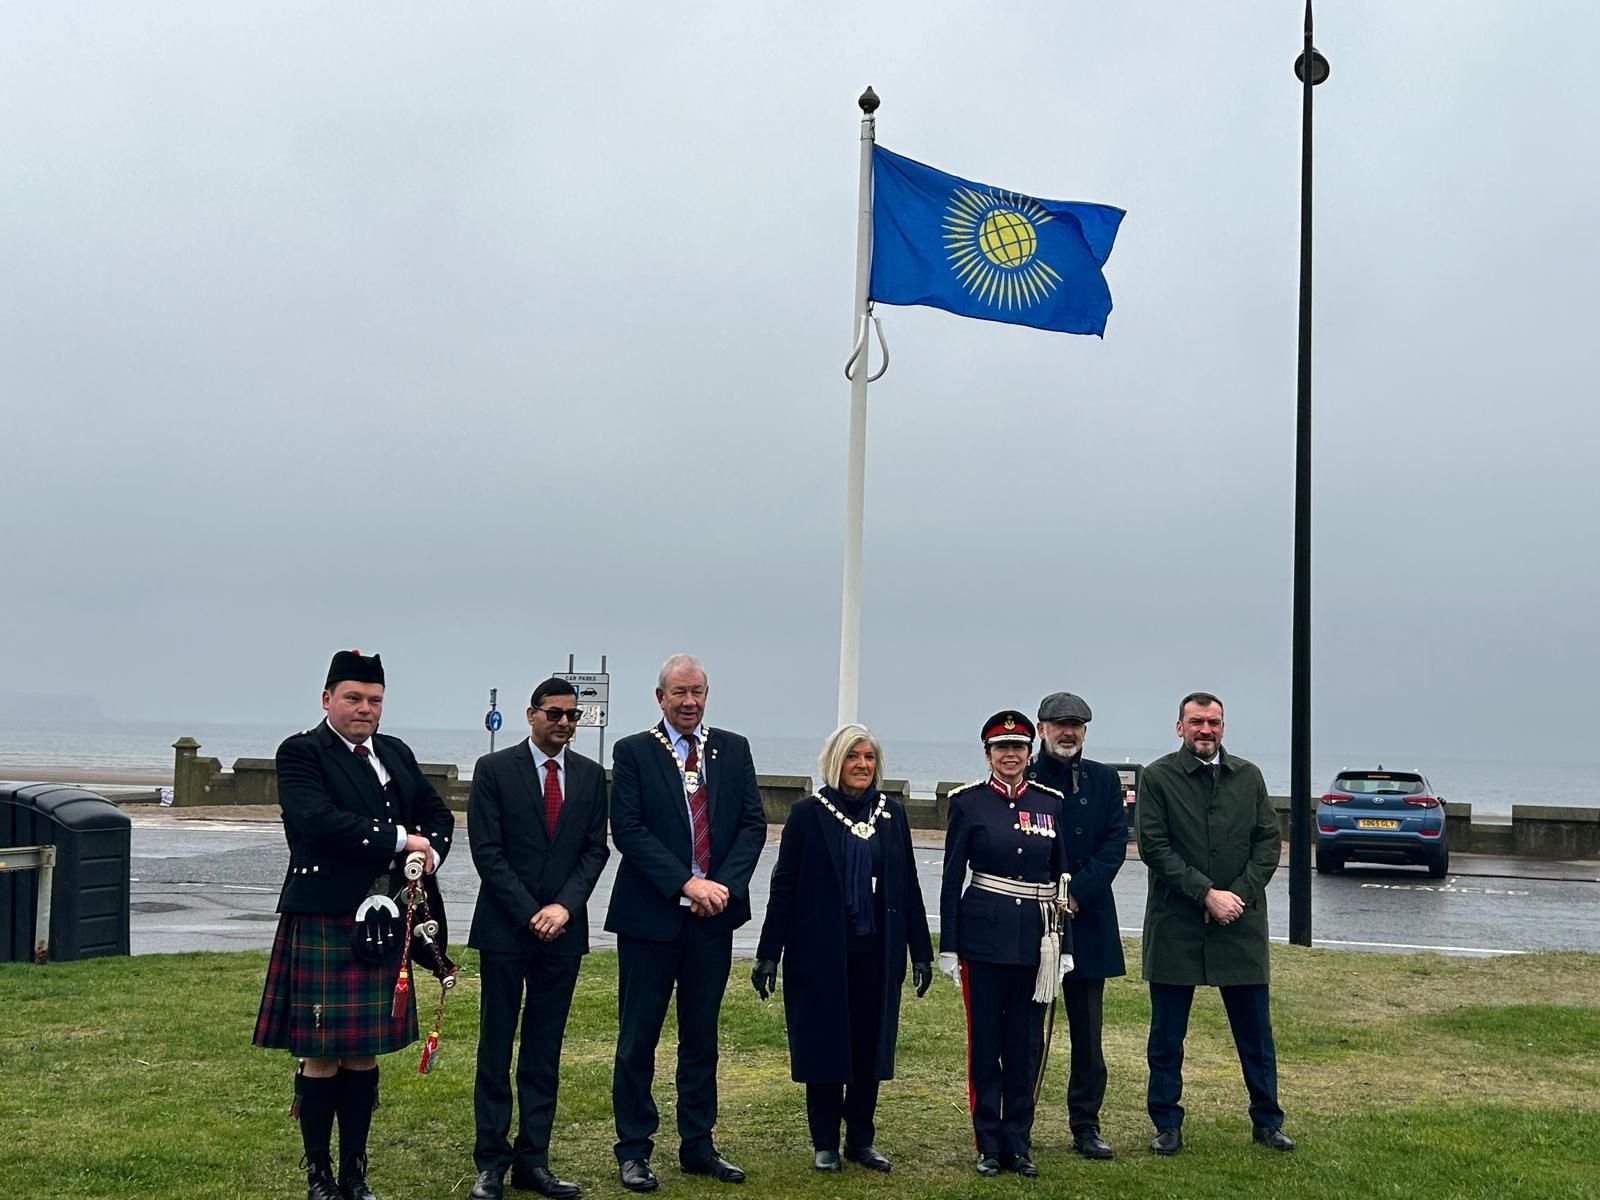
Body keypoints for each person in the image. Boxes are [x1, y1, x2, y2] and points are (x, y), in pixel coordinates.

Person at [253, 650, 456, 1200]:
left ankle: (355, 1174)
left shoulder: (395, 752)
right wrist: (399, 840)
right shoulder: (302, 752)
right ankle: (319, 1176)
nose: (365, 709)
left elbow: (437, 816)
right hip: (325, 913)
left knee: (363, 1050)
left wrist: (429, 853)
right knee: (321, 1051)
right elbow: (317, 821)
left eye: (374, 701)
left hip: (387, 916)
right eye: (354, 698)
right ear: (327, 700)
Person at [605, 654, 769, 1192]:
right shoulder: (632, 752)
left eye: (697, 691)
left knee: (701, 1038)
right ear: (660, 698)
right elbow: (628, 830)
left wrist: (721, 886)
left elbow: (751, 824)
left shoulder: (733, 748)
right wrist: (685, 882)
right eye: (678, 692)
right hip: (650, 918)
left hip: (712, 921)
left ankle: (698, 1143)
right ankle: (634, 1148)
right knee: (638, 1040)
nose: (689, 701)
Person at [751, 724, 934, 1173]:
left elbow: (906, 883)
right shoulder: (807, 814)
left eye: (869, 757)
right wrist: (768, 951)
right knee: (826, 1046)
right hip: (819, 953)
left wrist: (921, 950)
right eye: (853, 756)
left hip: (877, 950)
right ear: (836, 761)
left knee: (869, 1047)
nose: (862, 765)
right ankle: (825, 1141)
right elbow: (784, 887)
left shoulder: (892, 814)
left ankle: (861, 1139)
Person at [466, 677, 611, 1200]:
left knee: (544, 1051)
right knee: (496, 1045)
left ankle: (534, 1159)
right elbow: (487, 850)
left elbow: (595, 851)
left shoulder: (593, 778)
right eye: (555, 714)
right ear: (532, 715)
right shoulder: (494, 770)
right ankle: (490, 1162)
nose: (565, 724)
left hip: (562, 933)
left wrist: (562, 908)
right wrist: (531, 911)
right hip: (506, 928)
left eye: (573, 716)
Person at [1136, 691, 1294, 1156]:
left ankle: (1267, 1121)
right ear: (1179, 726)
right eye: (1196, 722)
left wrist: (1236, 897)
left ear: (1223, 726)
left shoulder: (1249, 777)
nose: (1206, 730)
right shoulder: (1159, 777)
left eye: (1214, 722)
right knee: (1167, 1036)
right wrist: (1204, 892)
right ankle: (1166, 1123)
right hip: (1176, 924)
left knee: (1256, 1036)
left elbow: (1268, 841)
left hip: (1239, 925)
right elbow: (1154, 846)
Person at [939, 710, 1072, 1178]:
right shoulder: (968, 804)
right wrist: (949, 946)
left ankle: (1019, 1141)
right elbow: (952, 877)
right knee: (986, 1044)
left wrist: (1064, 947)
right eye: (1001, 748)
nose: (1010, 755)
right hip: (982, 939)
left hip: (1034, 942)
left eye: (1018, 748)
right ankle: (988, 1143)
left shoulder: (1050, 803)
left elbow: (1061, 881)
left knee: (1025, 1045)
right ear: (988, 754)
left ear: (1029, 752)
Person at [1024, 691, 1127, 1160]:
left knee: (1088, 1035)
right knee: (1027, 1029)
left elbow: (1114, 844)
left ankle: (1086, 1124)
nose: (1068, 733)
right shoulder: (1022, 777)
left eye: (1077, 726)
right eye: (1059, 724)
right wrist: (1049, 895)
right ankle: (1017, 1120)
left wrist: (1076, 892)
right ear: (1041, 727)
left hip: (1087, 917)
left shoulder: (1105, 781)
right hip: (1033, 918)